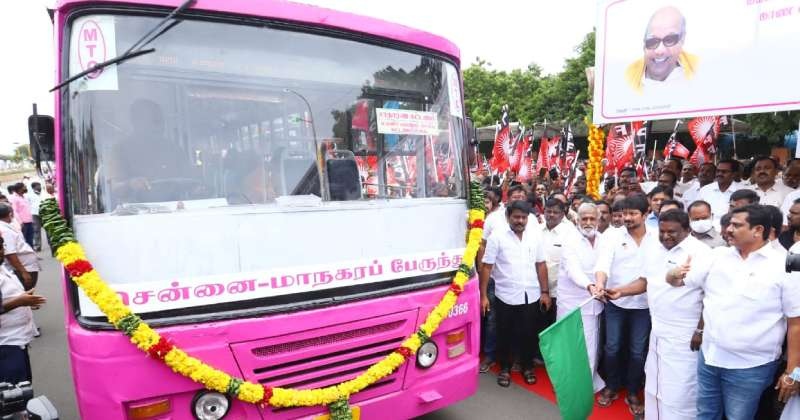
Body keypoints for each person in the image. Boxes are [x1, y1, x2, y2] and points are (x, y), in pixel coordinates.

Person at [666, 205, 800, 420]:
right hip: (709, 357)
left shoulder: (785, 264)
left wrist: (793, 371)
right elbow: (677, 282)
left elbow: (796, 322)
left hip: (750, 366)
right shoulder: (717, 256)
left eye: (736, 225)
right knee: (706, 414)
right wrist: (673, 274)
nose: (728, 229)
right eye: (729, 224)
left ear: (757, 230)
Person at [606, 209, 711, 419]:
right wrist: (621, 291)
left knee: (680, 388)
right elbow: (645, 281)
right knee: (655, 382)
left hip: (685, 333)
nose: (665, 236)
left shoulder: (701, 253)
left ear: (687, 230)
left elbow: (710, 297)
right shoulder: (654, 248)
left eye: (672, 232)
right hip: (658, 327)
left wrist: (700, 329)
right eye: (662, 231)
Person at [592, 194, 659, 415]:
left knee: (638, 352)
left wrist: (622, 291)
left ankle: (632, 390)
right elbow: (603, 263)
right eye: (624, 213)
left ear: (646, 214)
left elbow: (650, 277)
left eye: (632, 213)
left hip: (644, 306)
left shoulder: (658, 236)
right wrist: (600, 283)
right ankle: (612, 386)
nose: (627, 218)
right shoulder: (612, 236)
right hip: (614, 304)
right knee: (612, 348)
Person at [480, 200, 551, 387]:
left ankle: (527, 367)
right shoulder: (497, 237)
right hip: (505, 295)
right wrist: (483, 296)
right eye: (516, 217)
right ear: (508, 217)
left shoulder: (535, 237)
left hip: (532, 294)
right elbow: (487, 267)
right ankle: (504, 368)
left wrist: (545, 292)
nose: (520, 221)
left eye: (523, 217)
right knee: (505, 333)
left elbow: (541, 264)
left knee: (528, 333)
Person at [559, 202, 606, 392]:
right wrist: (589, 286)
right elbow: (573, 270)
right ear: (577, 220)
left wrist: (600, 287)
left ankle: (585, 385)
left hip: (595, 303)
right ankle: (568, 385)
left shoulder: (604, 240)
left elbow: (605, 265)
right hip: (571, 302)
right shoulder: (569, 240)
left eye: (591, 218)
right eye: (584, 218)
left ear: (598, 219)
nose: (588, 222)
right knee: (569, 345)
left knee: (590, 346)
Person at [0, 234, 46, 384]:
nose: (2, 252)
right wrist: (19, 301)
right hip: (6, 345)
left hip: (18, 340)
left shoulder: (2, 268)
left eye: (2, 247)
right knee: (14, 394)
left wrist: (26, 300)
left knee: (24, 387)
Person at [625, 6, 698, 93]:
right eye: (652, 41)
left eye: (669, 40)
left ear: (682, 39)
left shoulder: (698, 68)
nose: (660, 51)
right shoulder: (628, 76)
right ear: (644, 45)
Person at [540, 198, 578, 332]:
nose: (551, 215)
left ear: (562, 214)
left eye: (555, 212)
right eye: (548, 211)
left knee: (557, 328)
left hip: (560, 292)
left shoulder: (571, 232)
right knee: (540, 327)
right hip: (539, 290)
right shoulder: (537, 230)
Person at [0, 204, 39, 291]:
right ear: (10, 214)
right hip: (22, 269)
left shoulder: (6, 227)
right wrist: (23, 272)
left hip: (24, 267)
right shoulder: (5, 230)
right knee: (25, 293)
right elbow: (10, 254)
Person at [698, 159, 742, 229]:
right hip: (706, 232)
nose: (719, 174)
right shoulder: (705, 190)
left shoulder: (742, 191)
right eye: (718, 171)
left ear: (734, 174)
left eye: (724, 172)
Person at [7, 184, 33, 248]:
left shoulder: (24, 196)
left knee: (30, 238)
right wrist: (20, 222)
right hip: (23, 223)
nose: (25, 188)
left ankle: (32, 254)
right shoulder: (14, 198)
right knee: (24, 239)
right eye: (24, 187)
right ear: (19, 189)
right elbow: (14, 211)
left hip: (29, 220)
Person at [27, 182, 43, 252]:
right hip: (35, 214)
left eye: (39, 185)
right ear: (33, 187)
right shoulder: (29, 195)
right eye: (37, 186)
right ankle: (37, 246)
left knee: (49, 229)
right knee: (36, 230)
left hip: (45, 213)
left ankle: (53, 245)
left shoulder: (44, 193)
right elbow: (28, 205)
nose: (39, 187)